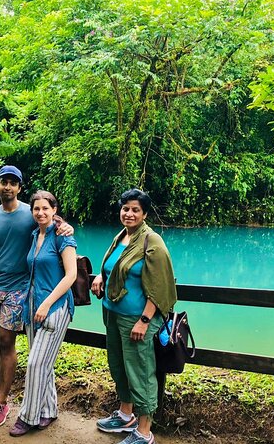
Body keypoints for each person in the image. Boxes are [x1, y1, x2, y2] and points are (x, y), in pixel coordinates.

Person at [0, 166, 73, 429]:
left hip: (19, 289)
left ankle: (4, 400)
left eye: (13, 183)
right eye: (3, 182)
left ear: (19, 187)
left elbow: (52, 221)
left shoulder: (31, 213)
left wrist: (65, 225)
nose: (8, 187)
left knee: (8, 341)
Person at [90, 189, 177, 444]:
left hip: (138, 320)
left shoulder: (153, 242)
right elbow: (113, 266)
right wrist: (100, 277)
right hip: (114, 314)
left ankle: (144, 431)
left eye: (135, 209)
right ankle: (125, 415)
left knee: (140, 372)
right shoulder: (122, 237)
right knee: (119, 367)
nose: (129, 213)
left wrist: (145, 320)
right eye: (125, 208)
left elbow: (161, 287)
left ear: (145, 213)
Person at [9, 190, 77, 437]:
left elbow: (71, 275)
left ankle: (28, 417)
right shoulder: (33, 235)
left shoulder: (63, 237)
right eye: (36, 209)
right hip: (32, 308)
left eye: (45, 209)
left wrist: (47, 304)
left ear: (54, 210)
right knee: (43, 363)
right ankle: (49, 410)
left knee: (36, 363)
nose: (40, 213)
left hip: (55, 308)